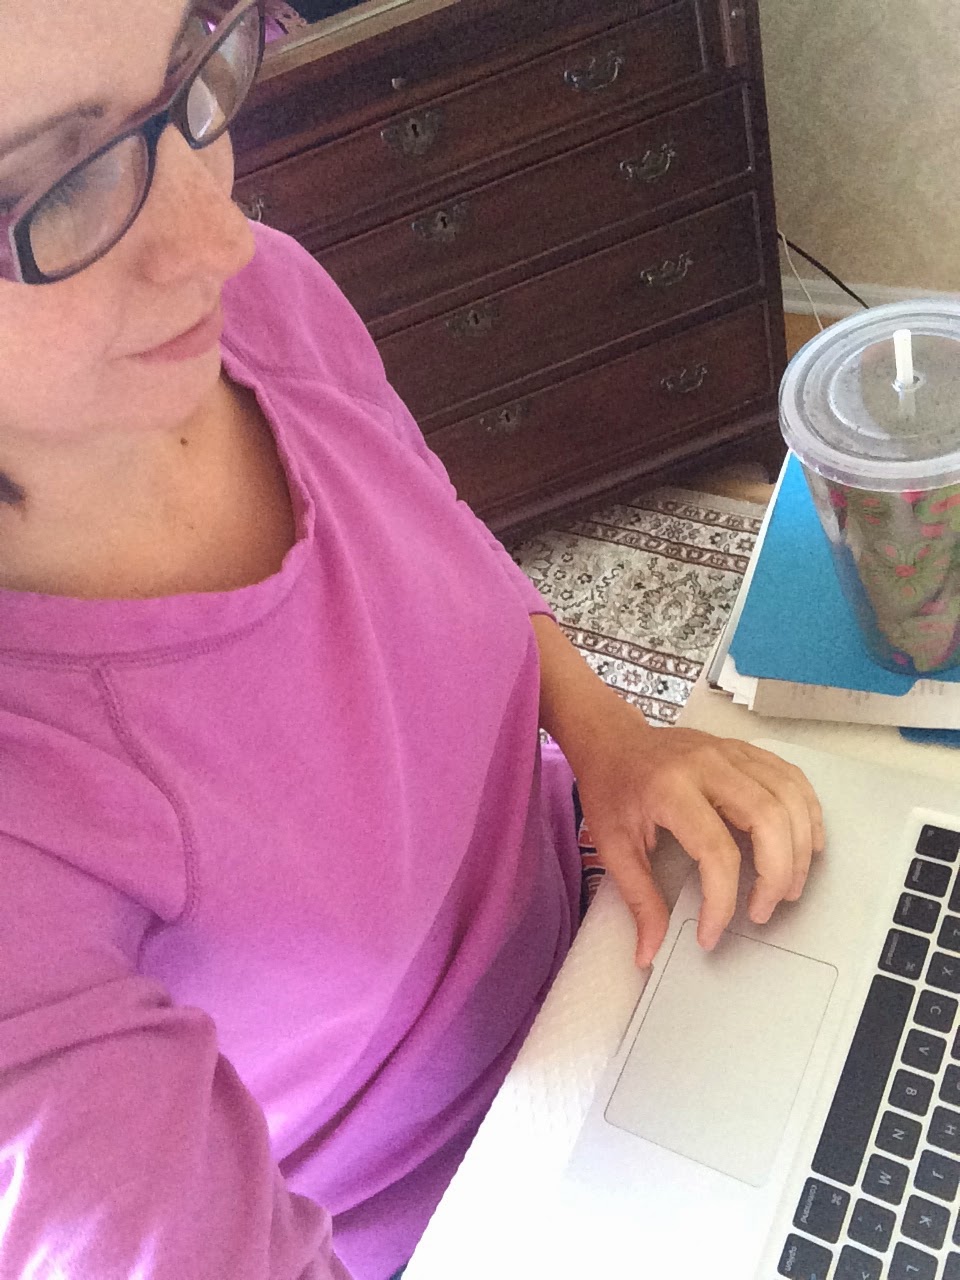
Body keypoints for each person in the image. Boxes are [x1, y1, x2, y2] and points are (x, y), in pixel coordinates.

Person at [0, 3, 824, 1277]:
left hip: (618, 935)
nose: (220, 236)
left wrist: (614, 742)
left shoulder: (255, 306)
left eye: (185, 81)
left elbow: (427, 533)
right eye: (56, 187)